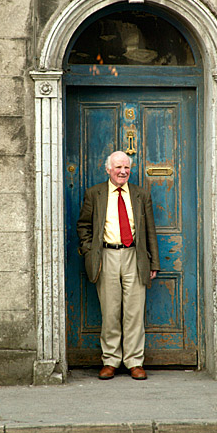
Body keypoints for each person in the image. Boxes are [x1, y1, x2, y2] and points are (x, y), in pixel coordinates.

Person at [77, 151, 160, 380]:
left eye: (126, 167)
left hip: (135, 256)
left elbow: (150, 230)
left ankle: (134, 361)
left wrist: (154, 261)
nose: (123, 171)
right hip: (107, 256)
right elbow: (83, 225)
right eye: (118, 168)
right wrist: (89, 252)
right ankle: (110, 361)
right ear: (108, 170)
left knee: (134, 312)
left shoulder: (141, 194)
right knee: (110, 311)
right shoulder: (95, 193)